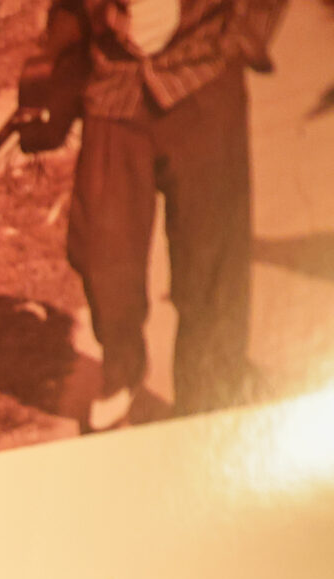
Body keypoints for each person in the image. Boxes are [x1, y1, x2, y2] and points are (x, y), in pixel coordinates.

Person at [51, 0, 289, 427]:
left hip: (203, 74)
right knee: (102, 248)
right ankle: (121, 367)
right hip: (114, 87)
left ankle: (208, 397)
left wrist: (245, 36)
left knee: (211, 255)